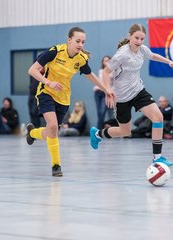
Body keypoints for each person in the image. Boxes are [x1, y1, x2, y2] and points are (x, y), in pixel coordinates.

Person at [89, 24, 173, 167]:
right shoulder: (122, 54)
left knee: (158, 117)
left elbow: (152, 55)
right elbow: (107, 72)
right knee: (124, 131)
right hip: (121, 98)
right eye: (136, 38)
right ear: (130, 36)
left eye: (142, 39)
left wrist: (169, 62)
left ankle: (157, 157)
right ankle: (97, 135)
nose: (139, 41)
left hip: (138, 91)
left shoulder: (142, 50)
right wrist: (108, 91)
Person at [26, 27, 114, 177]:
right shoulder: (55, 51)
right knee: (53, 126)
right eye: (77, 41)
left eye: (83, 42)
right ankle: (56, 165)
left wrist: (106, 89)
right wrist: (48, 82)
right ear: (69, 40)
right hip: (46, 92)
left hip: (64, 97)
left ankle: (33, 133)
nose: (80, 44)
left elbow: (90, 75)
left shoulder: (81, 58)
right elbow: (32, 70)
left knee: (51, 132)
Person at [94, 56, 112, 129]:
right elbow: (100, 81)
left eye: (108, 60)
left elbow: (113, 83)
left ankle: (99, 129)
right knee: (99, 112)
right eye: (105, 61)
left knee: (102, 111)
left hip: (106, 93)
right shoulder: (100, 71)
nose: (106, 62)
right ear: (103, 62)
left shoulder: (113, 72)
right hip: (98, 92)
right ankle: (99, 129)